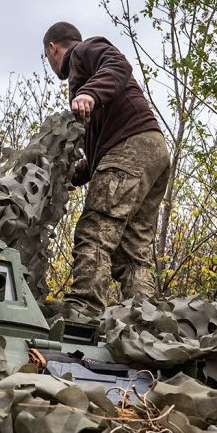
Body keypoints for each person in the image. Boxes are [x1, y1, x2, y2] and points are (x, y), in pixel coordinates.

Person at [42, 21, 171, 314]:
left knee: (96, 229)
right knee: (131, 251)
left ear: (52, 48)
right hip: (152, 151)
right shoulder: (88, 76)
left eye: (47, 56)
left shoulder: (84, 50)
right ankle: (144, 318)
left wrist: (89, 92)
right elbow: (102, 151)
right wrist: (71, 175)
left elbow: (117, 64)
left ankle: (84, 308)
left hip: (130, 147)